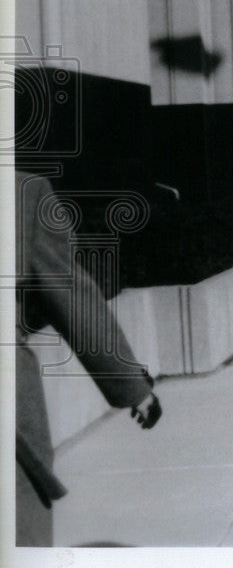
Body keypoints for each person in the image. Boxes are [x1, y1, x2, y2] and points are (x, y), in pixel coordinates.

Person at [15, 170, 162, 546]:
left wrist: (129, 384)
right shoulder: (23, 192)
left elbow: (69, 295)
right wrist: (133, 387)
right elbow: (70, 295)